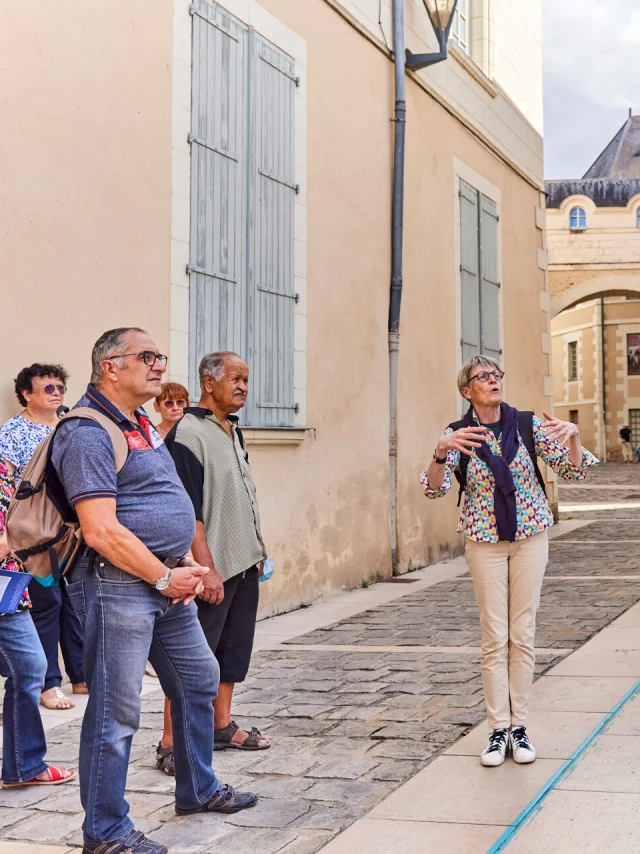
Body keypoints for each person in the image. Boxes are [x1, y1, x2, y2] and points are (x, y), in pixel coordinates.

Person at [54, 328, 257, 854]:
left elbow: (167, 501)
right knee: (115, 711)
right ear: (110, 368)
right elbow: (100, 529)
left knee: (198, 678)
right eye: (146, 356)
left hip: (165, 582)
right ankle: (105, 832)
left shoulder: (142, 422)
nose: (158, 364)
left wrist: (186, 564)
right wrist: (166, 576)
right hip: (118, 583)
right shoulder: (87, 431)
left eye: (159, 356)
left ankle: (198, 788)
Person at [421, 355, 598, 768]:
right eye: (482, 376)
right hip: (484, 542)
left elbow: (573, 472)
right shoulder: (458, 434)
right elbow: (433, 490)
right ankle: (497, 730)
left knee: (524, 634)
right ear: (467, 391)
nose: (492, 380)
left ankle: (520, 727)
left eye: (496, 374)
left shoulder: (526, 424)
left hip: (531, 537)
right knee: (494, 637)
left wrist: (572, 437)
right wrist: (439, 452)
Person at [154, 351, 270, 775]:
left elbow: (242, 494)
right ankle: (170, 743)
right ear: (209, 382)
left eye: (245, 379)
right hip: (209, 568)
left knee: (231, 652)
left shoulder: (231, 430)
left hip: (244, 561)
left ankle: (221, 725)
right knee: (191, 657)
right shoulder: (188, 432)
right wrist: (208, 568)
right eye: (235, 378)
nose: (242, 386)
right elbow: (187, 511)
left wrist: (258, 546)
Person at [0, 364, 85, 711]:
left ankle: (80, 675)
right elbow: (5, 489)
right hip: (36, 535)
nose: (57, 392)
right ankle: (49, 684)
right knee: (46, 604)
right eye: (47, 387)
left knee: (75, 604)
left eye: (60, 387)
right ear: (27, 394)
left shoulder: (66, 424)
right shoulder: (13, 433)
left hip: (71, 532)